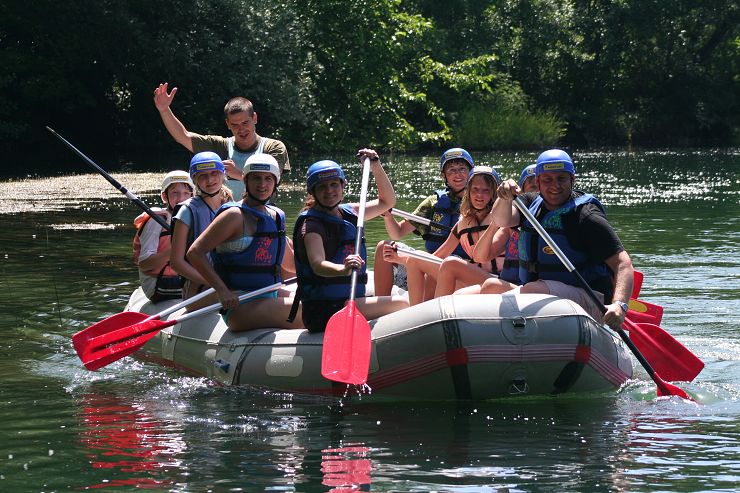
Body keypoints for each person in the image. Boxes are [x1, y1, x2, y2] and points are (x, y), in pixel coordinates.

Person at [490, 149, 634, 330]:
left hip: (591, 300)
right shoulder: (529, 204)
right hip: (544, 293)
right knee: (490, 287)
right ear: (537, 182)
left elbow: (623, 263)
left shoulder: (586, 216)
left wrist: (620, 305)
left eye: (561, 179)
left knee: (533, 289)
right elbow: (501, 220)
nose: (555, 186)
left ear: (572, 179)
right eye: (547, 180)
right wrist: (503, 198)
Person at [291, 150, 409, 333]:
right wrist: (343, 269)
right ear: (312, 191)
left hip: (348, 300)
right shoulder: (311, 225)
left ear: (343, 185)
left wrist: (376, 166)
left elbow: (387, 202)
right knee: (404, 304)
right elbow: (317, 264)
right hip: (324, 310)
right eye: (322, 187)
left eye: (334, 184)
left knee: (402, 300)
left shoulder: (351, 212)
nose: (329, 191)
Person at [186, 154, 303, 331]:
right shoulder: (234, 215)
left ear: (276, 182)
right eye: (256, 178)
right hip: (239, 303)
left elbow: (290, 264)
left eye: (268, 179)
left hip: (269, 293)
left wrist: (327, 269)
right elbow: (195, 252)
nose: (262, 184)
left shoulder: (276, 216)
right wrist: (222, 290)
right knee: (307, 310)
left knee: (319, 302)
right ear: (246, 180)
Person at [153, 82, 290, 199]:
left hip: (262, 214)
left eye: (245, 123)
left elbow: (273, 180)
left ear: (254, 118)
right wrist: (164, 110)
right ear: (227, 124)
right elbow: (184, 136)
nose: (241, 129)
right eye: (235, 125)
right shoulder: (220, 145)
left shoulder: (274, 147)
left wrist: (238, 174)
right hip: (225, 216)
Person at [374, 147, 474, 296]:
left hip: (460, 270)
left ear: (471, 171)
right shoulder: (433, 203)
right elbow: (398, 232)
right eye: (451, 170)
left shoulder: (479, 201)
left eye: (462, 169)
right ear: (443, 175)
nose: (457, 174)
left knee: (448, 261)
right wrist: (388, 217)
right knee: (385, 247)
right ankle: (383, 303)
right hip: (429, 264)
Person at [405, 166, 501, 305]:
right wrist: (403, 259)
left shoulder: (502, 220)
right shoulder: (464, 222)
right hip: (473, 276)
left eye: (486, 190)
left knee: (451, 263)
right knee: (417, 258)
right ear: (468, 191)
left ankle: (436, 313)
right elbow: (438, 256)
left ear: (493, 194)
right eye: (475, 189)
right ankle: (416, 310)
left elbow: (484, 256)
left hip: (496, 279)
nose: (479, 195)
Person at [456, 163, 539, 295]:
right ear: (522, 192)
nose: (538, 193)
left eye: (485, 190)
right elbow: (480, 257)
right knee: (459, 294)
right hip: (508, 283)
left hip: (531, 288)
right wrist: (495, 223)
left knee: (490, 285)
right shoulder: (509, 224)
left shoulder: (556, 221)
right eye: (534, 187)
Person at [170, 152, 234, 300]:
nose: (210, 180)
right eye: (203, 176)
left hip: (228, 281)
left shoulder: (231, 206)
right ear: (195, 180)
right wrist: (216, 284)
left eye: (214, 173)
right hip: (198, 288)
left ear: (223, 174)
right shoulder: (187, 211)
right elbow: (176, 263)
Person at [132, 171, 194, 302]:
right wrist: (175, 251)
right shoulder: (157, 220)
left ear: (192, 196)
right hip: (160, 284)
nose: (181, 198)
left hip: (183, 279)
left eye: (186, 193)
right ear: (164, 196)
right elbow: (144, 264)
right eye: (175, 193)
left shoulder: (193, 217)